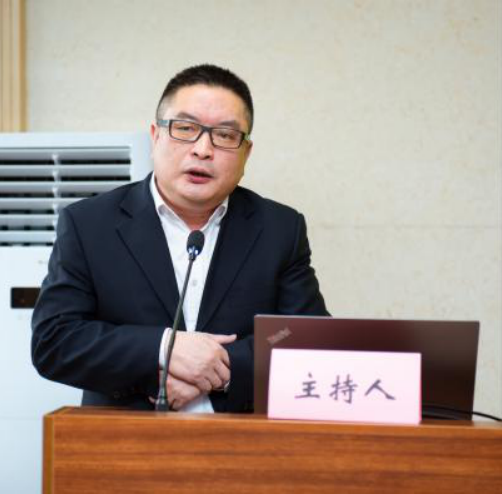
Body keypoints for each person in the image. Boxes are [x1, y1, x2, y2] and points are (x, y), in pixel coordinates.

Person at [31, 64, 328, 413]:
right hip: (123, 438)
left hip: (243, 437)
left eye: (225, 135)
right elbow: (56, 341)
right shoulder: (89, 224)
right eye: (185, 129)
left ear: (246, 153)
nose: (203, 149)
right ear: (155, 136)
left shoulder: (280, 229)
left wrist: (219, 370)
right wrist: (163, 349)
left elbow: (305, 337)